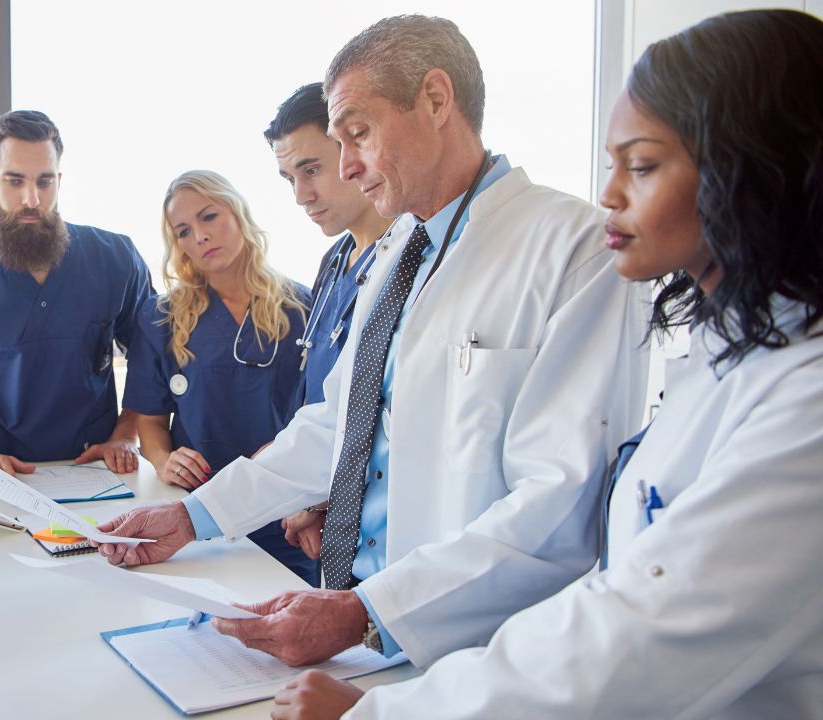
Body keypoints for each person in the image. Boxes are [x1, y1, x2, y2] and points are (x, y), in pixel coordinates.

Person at [273, 9, 823, 718]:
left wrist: (379, 712)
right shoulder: (724, 357)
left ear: (753, 172)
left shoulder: (802, 400)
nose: (611, 196)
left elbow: (639, 632)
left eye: (643, 165)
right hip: (437, 657)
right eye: (611, 165)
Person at [92, 14, 649, 672]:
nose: (348, 167)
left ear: (436, 100)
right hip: (353, 626)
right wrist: (193, 517)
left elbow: (559, 503)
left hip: (465, 650)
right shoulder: (393, 260)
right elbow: (335, 426)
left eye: (358, 134)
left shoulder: (573, 250)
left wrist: (371, 611)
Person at [0, 110, 153, 475]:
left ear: (59, 181)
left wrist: (126, 434)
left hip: (95, 468)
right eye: (14, 181)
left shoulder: (116, 257)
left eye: (45, 182)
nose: (32, 198)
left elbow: (151, 358)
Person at [123, 170, 317, 585]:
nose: (201, 237)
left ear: (238, 212)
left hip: (283, 513)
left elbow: (323, 417)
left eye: (209, 217)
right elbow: (151, 423)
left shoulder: (304, 307)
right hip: (194, 513)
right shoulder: (162, 318)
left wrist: (316, 504)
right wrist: (163, 461)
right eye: (184, 231)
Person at [265, 82, 393, 406]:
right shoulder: (334, 262)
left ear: (356, 151)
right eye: (290, 179)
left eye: (311, 169)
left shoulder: (410, 260)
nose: (300, 196)